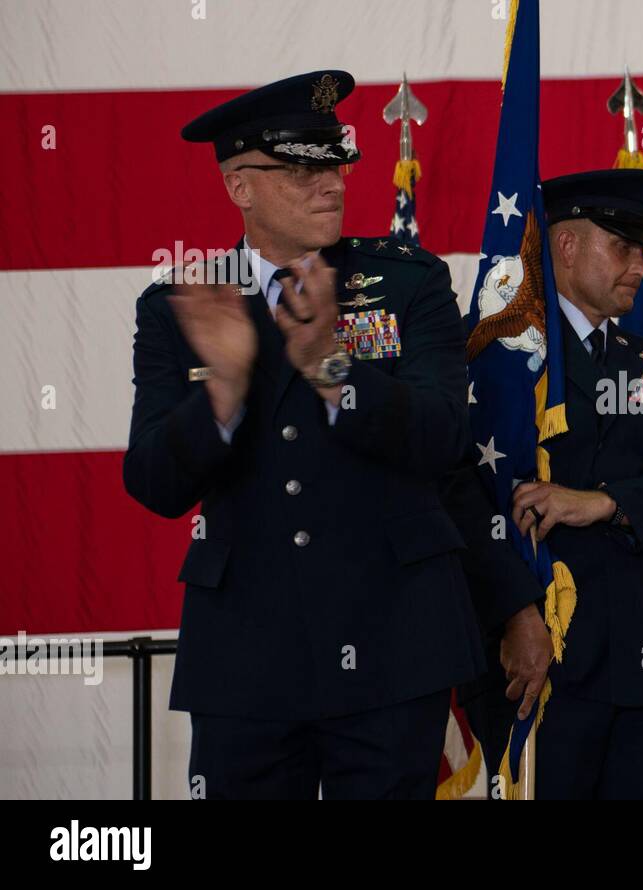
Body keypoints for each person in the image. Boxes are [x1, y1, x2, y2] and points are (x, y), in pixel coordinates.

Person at [123, 70, 548, 799]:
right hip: (246, 653)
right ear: (240, 187)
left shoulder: (409, 281)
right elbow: (155, 483)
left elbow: (447, 439)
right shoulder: (182, 306)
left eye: (335, 164)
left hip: (393, 640)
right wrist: (219, 398)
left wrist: (335, 371)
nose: (332, 185)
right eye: (299, 170)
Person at [499, 169, 643, 798]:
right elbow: (474, 502)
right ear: (566, 247)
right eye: (624, 248)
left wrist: (603, 502)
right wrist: (513, 615)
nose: (641, 270)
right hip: (541, 660)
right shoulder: (502, 360)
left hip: (642, 657)